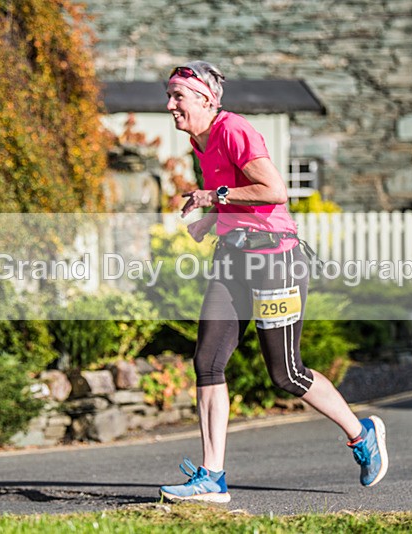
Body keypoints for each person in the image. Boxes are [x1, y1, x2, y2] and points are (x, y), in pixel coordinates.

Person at [158, 61, 388, 503]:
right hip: (233, 260)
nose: (170, 105)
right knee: (207, 361)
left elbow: (274, 191)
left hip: (275, 261)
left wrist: (215, 197)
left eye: (178, 97)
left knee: (285, 373)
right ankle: (212, 477)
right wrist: (212, 219)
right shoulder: (199, 140)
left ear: (206, 100)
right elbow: (236, 195)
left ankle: (362, 435)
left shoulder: (234, 130)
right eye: (169, 96)